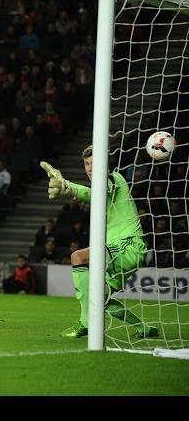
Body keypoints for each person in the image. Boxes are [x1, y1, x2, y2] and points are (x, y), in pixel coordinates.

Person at [40, 145, 158, 338]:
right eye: (87, 163)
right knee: (99, 295)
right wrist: (68, 187)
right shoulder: (100, 185)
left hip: (127, 245)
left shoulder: (115, 179)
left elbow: (100, 192)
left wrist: (68, 188)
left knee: (77, 257)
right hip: (124, 250)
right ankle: (143, 328)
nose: (90, 167)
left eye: (94, 163)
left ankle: (85, 323)